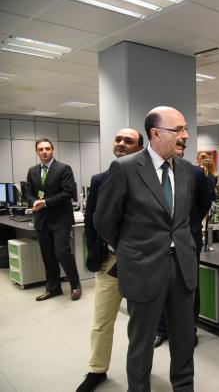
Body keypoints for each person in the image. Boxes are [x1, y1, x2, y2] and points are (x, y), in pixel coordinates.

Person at [94, 106, 197, 391]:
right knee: (141, 341)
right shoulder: (125, 169)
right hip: (142, 268)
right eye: (178, 130)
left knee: (184, 337)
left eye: (185, 129)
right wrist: (130, 248)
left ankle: (184, 386)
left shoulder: (187, 170)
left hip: (182, 267)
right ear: (155, 133)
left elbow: (186, 217)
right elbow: (103, 220)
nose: (185, 135)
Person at [76, 128, 144, 392]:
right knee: (102, 321)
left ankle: (139, 376)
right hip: (110, 261)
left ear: (140, 147)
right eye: (118, 139)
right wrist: (94, 252)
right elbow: (93, 220)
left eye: (129, 141)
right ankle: (97, 370)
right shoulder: (99, 179)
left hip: (141, 265)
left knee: (140, 325)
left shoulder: (149, 181)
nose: (121, 144)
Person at [154, 140, 212, 348]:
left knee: (190, 285)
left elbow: (206, 202)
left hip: (188, 239)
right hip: (160, 241)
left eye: (181, 148)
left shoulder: (195, 173)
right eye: (174, 147)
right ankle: (161, 329)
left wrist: (191, 224)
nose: (177, 150)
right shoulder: (154, 172)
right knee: (161, 285)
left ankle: (190, 329)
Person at [25, 138, 81, 301]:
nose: (44, 152)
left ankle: (75, 285)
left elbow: (68, 192)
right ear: (36, 151)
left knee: (62, 252)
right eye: (41, 149)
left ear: (53, 150)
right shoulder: (32, 171)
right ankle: (53, 288)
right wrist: (34, 201)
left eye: (47, 148)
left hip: (60, 219)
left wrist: (46, 202)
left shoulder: (63, 169)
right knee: (47, 255)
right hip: (41, 220)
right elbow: (28, 192)